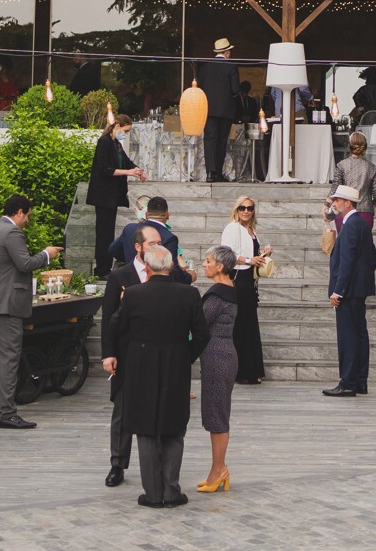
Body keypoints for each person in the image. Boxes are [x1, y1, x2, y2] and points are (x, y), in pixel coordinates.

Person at [108, 244, 207, 508]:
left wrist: (121, 304)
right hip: (176, 363)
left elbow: (116, 326)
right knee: (174, 427)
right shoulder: (189, 294)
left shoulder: (134, 294)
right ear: (171, 266)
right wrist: (186, 356)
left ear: (148, 267)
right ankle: (172, 491)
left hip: (141, 366)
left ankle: (152, 493)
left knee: (146, 427)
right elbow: (201, 334)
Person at [100, 223, 195, 486]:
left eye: (159, 243)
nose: (158, 247)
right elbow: (108, 318)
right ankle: (117, 464)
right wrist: (108, 353)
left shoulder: (170, 273)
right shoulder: (120, 276)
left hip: (161, 356)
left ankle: (160, 465)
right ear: (138, 247)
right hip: (127, 353)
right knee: (122, 410)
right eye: (152, 243)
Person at [0, 193, 61, 431]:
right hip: (6, 305)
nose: (28, 221)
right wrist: (46, 255)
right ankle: (7, 413)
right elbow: (25, 263)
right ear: (19, 212)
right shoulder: (12, 232)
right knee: (9, 358)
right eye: (28, 215)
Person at [323, 185, 376, 397]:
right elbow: (371, 257)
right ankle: (359, 381)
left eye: (337, 200)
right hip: (357, 289)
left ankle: (348, 381)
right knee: (358, 334)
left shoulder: (351, 224)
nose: (334, 203)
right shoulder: (359, 223)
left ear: (347, 203)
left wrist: (339, 290)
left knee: (348, 336)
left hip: (349, 290)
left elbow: (346, 262)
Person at [196, 245, 241, 492]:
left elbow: (200, 325)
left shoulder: (217, 295)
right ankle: (217, 469)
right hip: (222, 354)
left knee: (217, 415)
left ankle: (219, 470)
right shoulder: (227, 290)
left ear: (220, 266)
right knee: (216, 413)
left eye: (208, 260)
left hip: (218, 357)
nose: (204, 264)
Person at [220, 197, 272, 385]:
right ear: (236, 209)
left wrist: (262, 256)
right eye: (242, 208)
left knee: (248, 324)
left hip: (250, 281)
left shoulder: (251, 230)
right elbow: (226, 254)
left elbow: (250, 256)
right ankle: (241, 371)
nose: (246, 211)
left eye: (249, 208)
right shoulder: (233, 228)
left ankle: (251, 370)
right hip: (239, 279)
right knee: (241, 324)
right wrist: (250, 260)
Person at [88, 118, 146, 272]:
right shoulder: (104, 142)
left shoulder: (116, 144)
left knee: (108, 232)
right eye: (125, 131)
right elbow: (104, 169)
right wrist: (128, 172)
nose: (126, 134)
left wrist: (138, 171)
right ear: (118, 126)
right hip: (103, 195)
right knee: (103, 234)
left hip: (112, 196)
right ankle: (102, 268)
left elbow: (127, 162)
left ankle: (105, 267)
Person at [196, 37, 242, 183]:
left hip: (208, 110)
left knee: (209, 140)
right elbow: (235, 90)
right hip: (226, 110)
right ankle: (218, 173)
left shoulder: (204, 67)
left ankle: (210, 172)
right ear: (227, 52)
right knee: (222, 141)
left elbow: (200, 88)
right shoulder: (231, 67)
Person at [108, 196, 186, 273]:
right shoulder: (169, 237)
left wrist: (130, 258)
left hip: (130, 281)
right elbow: (173, 271)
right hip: (155, 283)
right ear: (168, 215)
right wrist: (190, 277)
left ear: (146, 214)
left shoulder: (129, 229)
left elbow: (113, 250)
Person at [330, 132, 376, 214]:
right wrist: (373, 203)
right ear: (365, 147)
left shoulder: (341, 165)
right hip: (365, 210)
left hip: (345, 211)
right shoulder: (372, 167)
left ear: (349, 146)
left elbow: (334, 190)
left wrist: (327, 205)